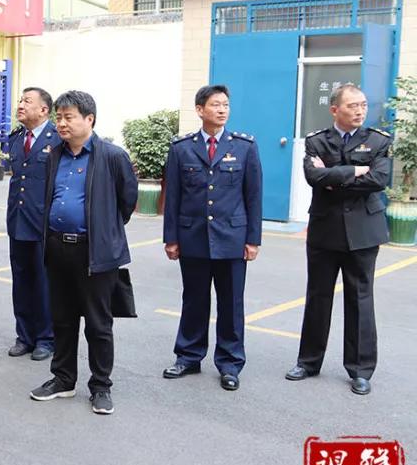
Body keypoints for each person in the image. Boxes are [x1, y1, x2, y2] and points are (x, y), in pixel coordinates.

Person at [29, 91, 137, 415]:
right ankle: (63, 379)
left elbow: (126, 202)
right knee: (62, 319)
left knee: (98, 324)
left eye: (69, 117)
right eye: (59, 117)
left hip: (95, 251)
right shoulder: (54, 155)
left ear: (89, 119)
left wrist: (103, 230)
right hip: (58, 248)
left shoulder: (112, 156)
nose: (61, 123)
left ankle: (101, 386)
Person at [286, 83, 391, 395]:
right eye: (352, 106)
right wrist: (356, 171)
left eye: (363, 105)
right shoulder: (317, 140)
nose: (360, 111)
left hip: (363, 231)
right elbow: (313, 177)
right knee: (318, 296)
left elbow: (378, 180)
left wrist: (334, 177)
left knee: (360, 299)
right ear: (335, 110)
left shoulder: (378, 140)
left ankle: (360, 369)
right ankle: (308, 362)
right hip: (325, 229)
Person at [161, 84, 263, 391]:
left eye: (225, 105)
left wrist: (253, 239)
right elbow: (173, 196)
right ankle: (188, 356)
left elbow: (253, 196)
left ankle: (230, 363)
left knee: (231, 303)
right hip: (193, 236)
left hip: (232, 237)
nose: (221, 110)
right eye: (215, 105)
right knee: (194, 299)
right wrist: (171, 238)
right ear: (200, 110)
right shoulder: (181, 148)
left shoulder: (244, 146)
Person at [5, 87, 58, 360]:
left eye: (27, 101)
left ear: (44, 110)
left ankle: (46, 339)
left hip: (44, 225)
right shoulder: (16, 138)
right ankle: (24, 336)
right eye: (20, 100)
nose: (21, 105)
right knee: (21, 281)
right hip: (18, 221)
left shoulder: (57, 139)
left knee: (44, 282)